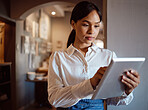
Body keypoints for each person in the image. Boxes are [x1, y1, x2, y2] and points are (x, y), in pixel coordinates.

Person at [48, 1, 140, 109]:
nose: (92, 31)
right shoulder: (58, 57)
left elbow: (112, 100)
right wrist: (90, 84)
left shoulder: (108, 56)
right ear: (73, 24)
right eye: (86, 25)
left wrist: (127, 91)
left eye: (96, 26)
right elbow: (54, 99)